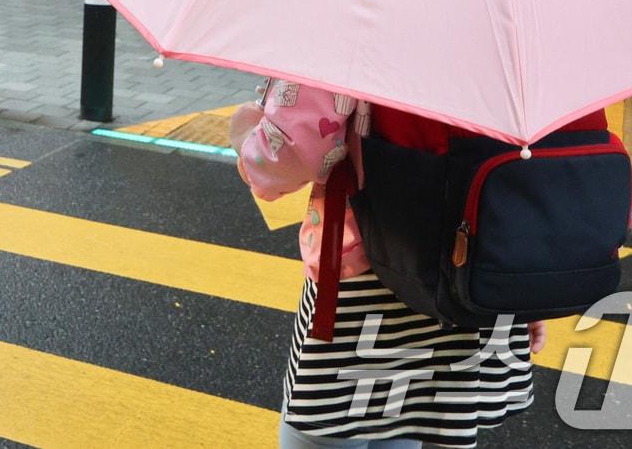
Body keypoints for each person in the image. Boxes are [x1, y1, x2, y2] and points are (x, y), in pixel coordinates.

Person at [230, 81, 605, 449]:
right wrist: (525, 290)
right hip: (484, 275)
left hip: (367, 276)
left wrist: (245, 132)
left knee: (324, 429)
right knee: (414, 417)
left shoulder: (359, 38)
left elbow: (292, 155)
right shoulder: (524, 51)